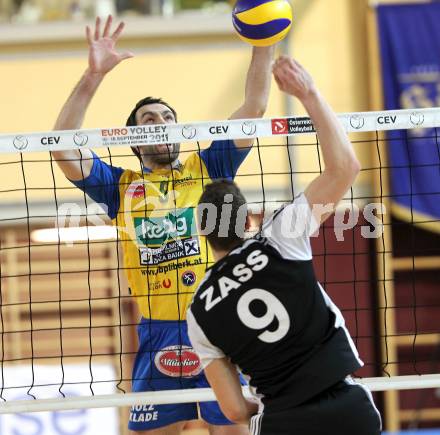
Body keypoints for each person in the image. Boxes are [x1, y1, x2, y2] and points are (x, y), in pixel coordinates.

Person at [51, 15, 274, 435]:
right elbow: (62, 144)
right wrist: (93, 74)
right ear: (133, 140)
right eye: (148, 119)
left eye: (167, 116)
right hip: (158, 333)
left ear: (180, 129)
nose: (159, 121)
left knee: (234, 429)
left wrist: (265, 38)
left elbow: (255, 108)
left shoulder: (209, 165)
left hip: (218, 323)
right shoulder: (120, 187)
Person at [187, 56, 382, 435]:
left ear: (203, 232)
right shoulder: (279, 236)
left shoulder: (198, 310)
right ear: (248, 220)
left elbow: (232, 410)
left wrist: (258, 407)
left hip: (282, 420)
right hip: (347, 408)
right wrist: (308, 93)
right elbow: (345, 168)